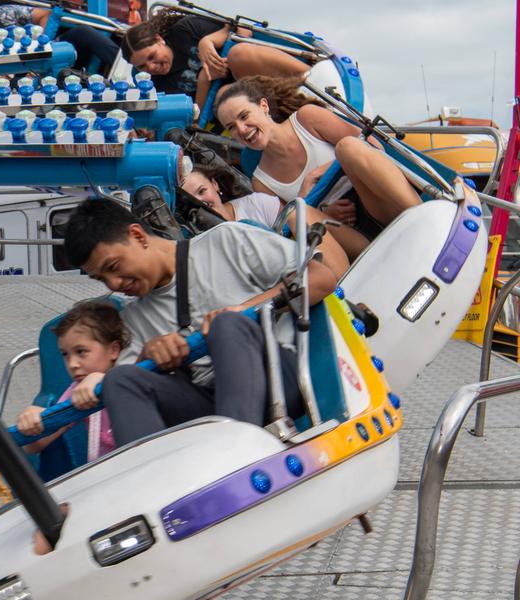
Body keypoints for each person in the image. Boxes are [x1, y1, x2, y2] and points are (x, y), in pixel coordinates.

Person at [62, 198, 339, 446]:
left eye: (113, 267)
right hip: (211, 404)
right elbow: (134, 385)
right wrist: (152, 357)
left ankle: (234, 453)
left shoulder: (226, 241)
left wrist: (243, 311)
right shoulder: (133, 318)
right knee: (120, 380)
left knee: (227, 325)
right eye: (102, 279)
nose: (114, 284)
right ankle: (155, 482)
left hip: (277, 381)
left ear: (137, 236)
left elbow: (321, 278)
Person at [214, 75, 421, 237]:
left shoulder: (307, 118)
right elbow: (293, 228)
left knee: (348, 147)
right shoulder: (261, 182)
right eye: (231, 127)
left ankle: (423, 216)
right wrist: (322, 209)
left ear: (264, 106)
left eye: (244, 116)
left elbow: (374, 146)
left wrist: (317, 175)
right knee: (297, 215)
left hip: (377, 189)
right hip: (347, 229)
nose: (241, 129)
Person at [121, 8, 308, 110]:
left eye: (152, 57)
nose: (151, 67)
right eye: (143, 67)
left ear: (159, 40)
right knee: (224, 97)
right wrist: (204, 80)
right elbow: (196, 115)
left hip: (254, 66)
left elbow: (242, 30)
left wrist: (208, 41)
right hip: (244, 92)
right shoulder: (159, 86)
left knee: (237, 55)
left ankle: (312, 78)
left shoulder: (185, 30)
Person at [181, 162, 359, 268]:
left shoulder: (257, 203)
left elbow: (296, 228)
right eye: (191, 199)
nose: (200, 201)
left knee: (298, 212)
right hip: (289, 283)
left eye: (202, 191)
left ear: (215, 185)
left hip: (311, 264)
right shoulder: (201, 244)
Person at [16, 299, 127, 462]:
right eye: (65, 355)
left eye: (81, 352)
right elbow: (35, 446)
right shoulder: (76, 390)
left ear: (113, 350)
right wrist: (32, 422)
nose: (72, 364)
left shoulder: (131, 379)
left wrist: (101, 379)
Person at [0, 2, 118, 75]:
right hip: (20, 73)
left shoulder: (2, 14)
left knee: (83, 32)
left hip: (51, 51)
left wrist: (41, 43)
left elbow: (45, 15)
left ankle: (126, 67)